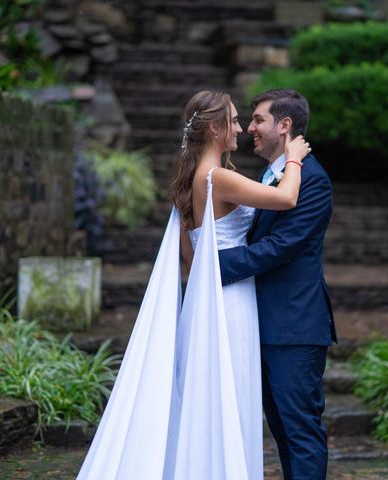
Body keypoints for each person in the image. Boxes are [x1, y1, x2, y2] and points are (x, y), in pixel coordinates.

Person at [75, 89, 310, 480]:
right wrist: (295, 160)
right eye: (234, 121)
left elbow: (191, 258)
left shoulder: (191, 179)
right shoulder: (218, 178)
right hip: (232, 302)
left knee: (207, 397)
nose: (240, 128)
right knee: (229, 396)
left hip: (207, 300)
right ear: (216, 128)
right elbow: (285, 199)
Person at [218, 88, 336, 480]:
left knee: (300, 432)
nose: (249, 128)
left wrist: (212, 266)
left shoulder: (313, 180)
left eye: (258, 120)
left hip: (294, 329)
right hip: (262, 324)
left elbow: (280, 246)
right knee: (281, 433)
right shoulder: (272, 177)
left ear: (284, 126)